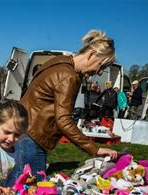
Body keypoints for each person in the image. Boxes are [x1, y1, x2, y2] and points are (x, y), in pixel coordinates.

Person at [16, 30, 118, 181]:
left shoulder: (58, 61)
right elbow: (63, 120)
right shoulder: (69, 77)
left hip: (22, 129)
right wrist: (95, 149)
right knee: (34, 191)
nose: (99, 72)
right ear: (91, 55)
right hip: (34, 137)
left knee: (19, 185)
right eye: (101, 66)